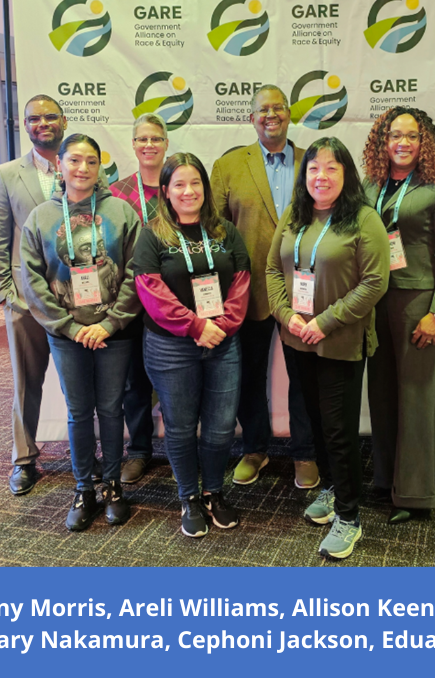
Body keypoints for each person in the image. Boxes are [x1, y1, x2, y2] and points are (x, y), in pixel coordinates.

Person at [267, 138, 390, 559]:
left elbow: (375, 283)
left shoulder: (363, 219)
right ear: (304, 177)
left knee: (338, 432)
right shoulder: (295, 215)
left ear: (346, 174)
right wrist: (288, 316)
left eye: (332, 168)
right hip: (296, 338)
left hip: (339, 341)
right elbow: (272, 268)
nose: (321, 176)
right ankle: (336, 491)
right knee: (314, 424)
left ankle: (350, 517)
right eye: (314, 168)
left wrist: (324, 321)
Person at [20, 134, 141, 531]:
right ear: (60, 165)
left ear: (101, 167)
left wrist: (110, 322)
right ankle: (83, 487)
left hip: (114, 331)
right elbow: (33, 281)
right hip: (66, 333)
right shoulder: (40, 218)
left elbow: (136, 273)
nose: (83, 169)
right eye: (74, 160)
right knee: (78, 412)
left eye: (91, 161)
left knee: (110, 409)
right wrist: (69, 326)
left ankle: (112, 485)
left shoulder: (122, 213)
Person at [134, 153, 251, 538]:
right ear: (165, 191)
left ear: (206, 187)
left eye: (195, 183)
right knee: (181, 428)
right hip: (171, 347)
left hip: (223, 343)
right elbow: (151, 289)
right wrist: (195, 326)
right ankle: (188, 497)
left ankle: (214, 491)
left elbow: (242, 280)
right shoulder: (152, 235)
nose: (189, 191)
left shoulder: (225, 232)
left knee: (219, 429)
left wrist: (223, 325)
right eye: (179, 184)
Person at [361, 107, 435, 523]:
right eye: (394, 135)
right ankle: (386, 479)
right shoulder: (372, 183)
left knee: (417, 397)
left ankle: (416, 493)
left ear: (425, 143)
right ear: (382, 141)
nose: (402, 143)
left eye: (411, 136)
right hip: (375, 300)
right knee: (382, 395)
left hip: (418, 302)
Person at [211, 85, 317, 489]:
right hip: (249, 292)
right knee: (247, 377)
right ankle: (254, 448)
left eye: (277, 108)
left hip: (303, 292)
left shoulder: (315, 162)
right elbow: (216, 231)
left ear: (289, 113)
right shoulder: (229, 165)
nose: (270, 115)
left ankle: (305, 452)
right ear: (251, 117)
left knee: (303, 377)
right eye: (262, 110)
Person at [0, 94, 67, 496]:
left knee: (84, 387)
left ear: (63, 121)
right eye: (34, 119)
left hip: (76, 304)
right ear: (25, 125)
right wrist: (4, 293)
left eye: (50, 116)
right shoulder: (6, 174)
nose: (42, 124)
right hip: (25, 301)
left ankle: (95, 455)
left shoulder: (83, 166)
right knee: (25, 384)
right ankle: (24, 460)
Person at [110, 113, 168, 484]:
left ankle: (183, 446)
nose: (149, 145)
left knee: (179, 378)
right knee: (134, 382)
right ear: (133, 145)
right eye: (142, 139)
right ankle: (140, 450)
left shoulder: (180, 186)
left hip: (174, 301)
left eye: (156, 139)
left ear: (166, 144)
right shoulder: (116, 193)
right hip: (130, 300)